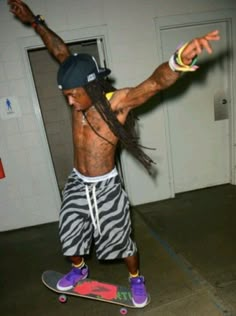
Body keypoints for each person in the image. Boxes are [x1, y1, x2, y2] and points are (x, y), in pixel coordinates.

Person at [9, 0, 220, 308]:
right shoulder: (77, 82)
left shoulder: (115, 104)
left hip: (106, 187)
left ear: (90, 86)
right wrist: (35, 23)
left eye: (72, 95)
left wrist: (177, 61)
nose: (69, 102)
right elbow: (60, 52)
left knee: (122, 241)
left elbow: (153, 84)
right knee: (68, 232)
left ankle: (136, 279)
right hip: (78, 182)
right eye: (65, 95)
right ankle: (79, 269)